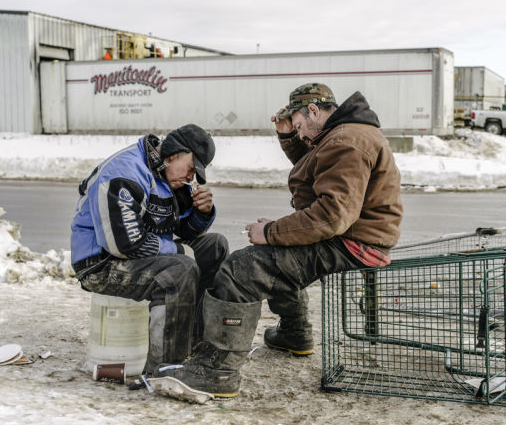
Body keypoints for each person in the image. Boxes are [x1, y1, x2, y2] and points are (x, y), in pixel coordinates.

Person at [157, 83, 403, 398]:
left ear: (314, 110)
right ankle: (294, 333)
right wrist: (288, 137)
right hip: (353, 236)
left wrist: (272, 230)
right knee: (275, 249)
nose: (300, 134)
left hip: (351, 242)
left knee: (240, 270)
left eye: (299, 126)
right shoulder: (342, 134)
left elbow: (332, 216)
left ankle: (216, 372)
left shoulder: (348, 141)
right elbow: (317, 167)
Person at [70, 124, 228, 375]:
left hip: (137, 255)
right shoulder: (124, 172)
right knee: (179, 270)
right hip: (101, 264)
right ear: (174, 154)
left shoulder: (168, 176)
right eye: (190, 169)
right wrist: (177, 250)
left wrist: (203, 212)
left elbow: (185, 231)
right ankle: (167, 368)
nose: (191, 178)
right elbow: (124, 244)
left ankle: (196, 342)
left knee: (214, 245)